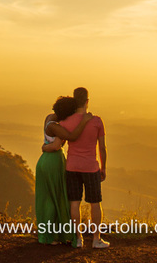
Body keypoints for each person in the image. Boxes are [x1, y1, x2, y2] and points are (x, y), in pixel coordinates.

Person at [35, 95, 94, 244]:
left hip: (44, 161)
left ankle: (49, 234)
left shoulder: (49, 118)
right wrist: (85, 121)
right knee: (54, 198)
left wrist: (44, 147)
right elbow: (71, 137)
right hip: (53, 161)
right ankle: (49, 236)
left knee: (48, 197)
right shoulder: (56, 126)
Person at [59, 86, 108, 249]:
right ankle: (96, 239)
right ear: (87, 101)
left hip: (72, 166)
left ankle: (78, 239)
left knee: (74, 202)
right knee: (95, 203)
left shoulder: (65, 121)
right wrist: (103, 167)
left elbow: (61, 142)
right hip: (90, 167)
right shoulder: (96, 121)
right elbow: (102, 147)